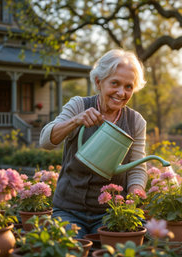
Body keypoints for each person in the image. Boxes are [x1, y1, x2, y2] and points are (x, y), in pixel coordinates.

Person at [39, 49, 148, 238]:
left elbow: (137, 167)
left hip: (111, 213)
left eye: (128, 87)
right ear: (99, 82)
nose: (121, 93)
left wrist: (135, 194)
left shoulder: (135, 121)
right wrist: (76, 120)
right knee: (70, 247)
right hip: (69, 210)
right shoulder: (79, 106)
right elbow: (45, 141)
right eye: (115, 83)